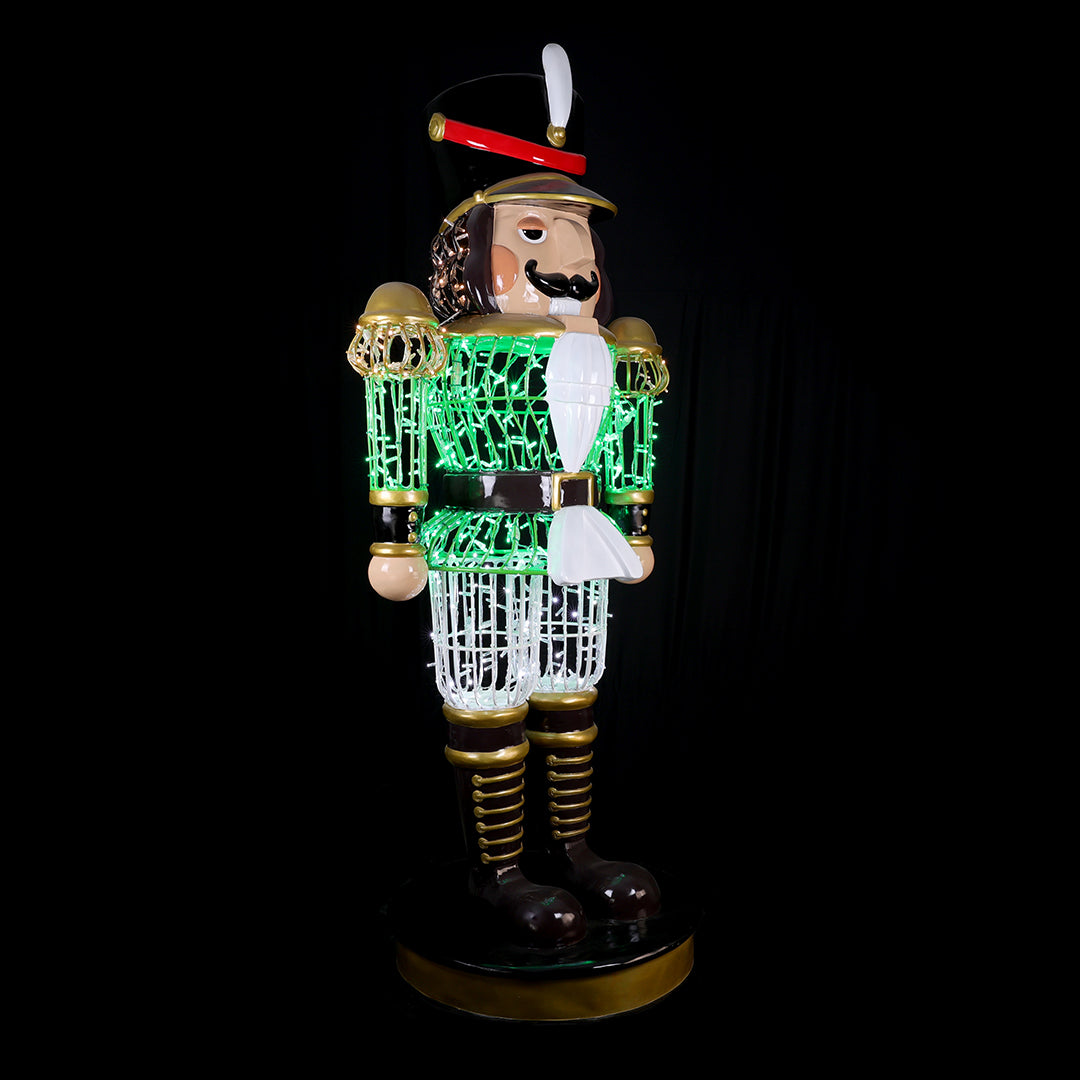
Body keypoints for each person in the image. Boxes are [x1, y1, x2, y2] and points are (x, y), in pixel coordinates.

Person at [348, 44, 669, 947]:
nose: (569, 261)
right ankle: (497, 868)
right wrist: (394, 536)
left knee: (571, 689)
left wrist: (635, 520)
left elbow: (628, 434)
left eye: (578, 236)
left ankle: (573, 847)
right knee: (488, 693)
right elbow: (396, 420)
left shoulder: (610, 347)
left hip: (580, 534)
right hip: (481, 534)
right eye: (534, 232)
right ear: (471, 241)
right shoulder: (433, 336)